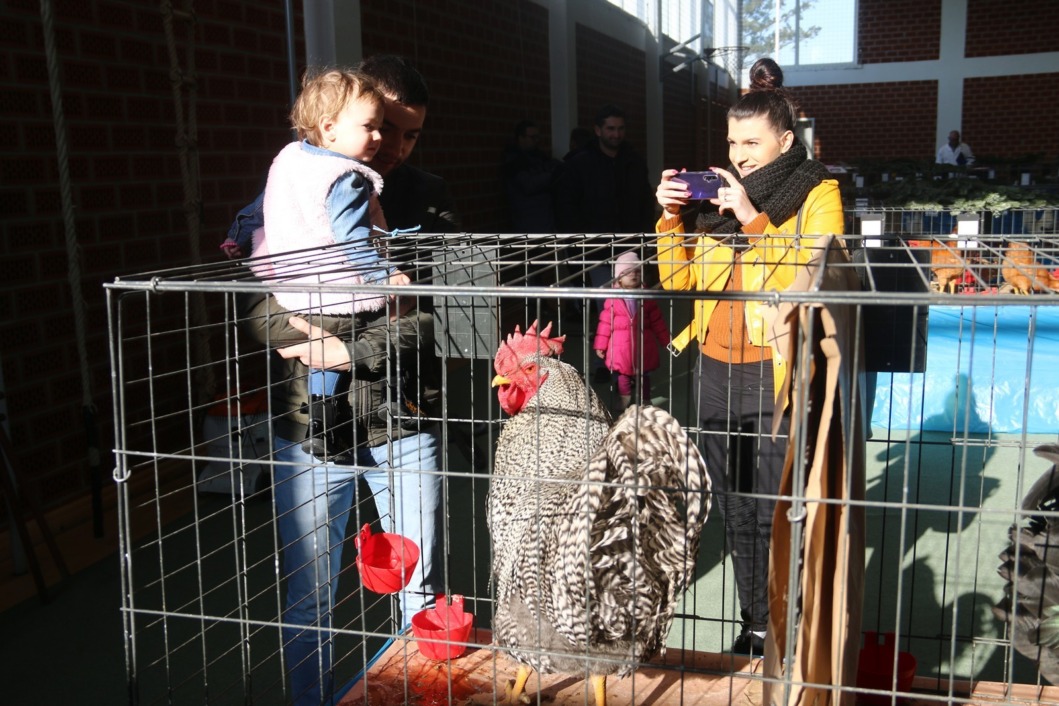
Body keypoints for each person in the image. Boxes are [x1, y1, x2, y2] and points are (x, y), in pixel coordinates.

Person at [231, 55, 457, 706]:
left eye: (410, 134)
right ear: (338, 121)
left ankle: (420, 693)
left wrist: (344, 353)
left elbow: (441, 319)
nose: (391, 144)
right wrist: (310, 338)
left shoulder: (428, 196)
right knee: (309, 592)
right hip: (309, 429)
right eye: (381, 124)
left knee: (419, 584)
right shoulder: (300, 181)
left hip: (401, 420)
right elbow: (258, 307)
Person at [654, 57, 844, 657]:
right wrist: (672, 218)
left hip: (773, 370)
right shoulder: (714, 203)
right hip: (714, 371)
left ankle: (790, 625)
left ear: (785, 141)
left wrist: (751, 219)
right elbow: (679, 282)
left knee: (773, 508)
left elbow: (809, 280)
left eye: (751, 141)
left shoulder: (818, 191)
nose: (738, 154)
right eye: (732, 141)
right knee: (735, 507)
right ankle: (757, 624)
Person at [245, 68, 411, 462]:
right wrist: (385, 277)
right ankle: (340, 419)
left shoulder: (290, 160)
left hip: (296, 288)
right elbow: (353, 238)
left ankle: (321, 420)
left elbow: (257, 207)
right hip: (338, 288)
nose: (378, 137)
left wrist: (238, 235)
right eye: (370, 127)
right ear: (330, 127)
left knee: (323, 349)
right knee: (348, 330)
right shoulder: (347, 177)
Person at [555, 104, 654, 381]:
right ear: (598, 130)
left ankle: (629, 363)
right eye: (610, 128)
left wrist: (646, 241)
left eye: (620, 128)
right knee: (605, 308)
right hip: (595, 249)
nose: (616, 134)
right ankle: (605, 363)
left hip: (629, 245)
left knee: (631, 307)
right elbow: (567, 207)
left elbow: (645, 202)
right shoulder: (579, 164)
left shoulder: (634, 161)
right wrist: (574, 245)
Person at [592, 251, 670, 411]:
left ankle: (645, 400)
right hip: (621, 348)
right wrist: (601, 345)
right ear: (618, 277)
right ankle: (625, 398)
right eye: (627, 272)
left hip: (643, 345)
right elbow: (605, 323)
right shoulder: (613, 298)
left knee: (644, 376)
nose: (633, 275)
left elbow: (657, 320)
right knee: (623, 377)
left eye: (637, 271)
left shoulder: (646, 296)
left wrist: (666, 340)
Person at [501, 119, 560, 234]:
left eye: (538, 137)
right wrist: (552, 174)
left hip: (544, 220)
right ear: (521, 138)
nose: (536, 141)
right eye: (532, 137)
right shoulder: (514, 162)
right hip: (528, 222)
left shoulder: (540, 157)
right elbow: (529, 185)